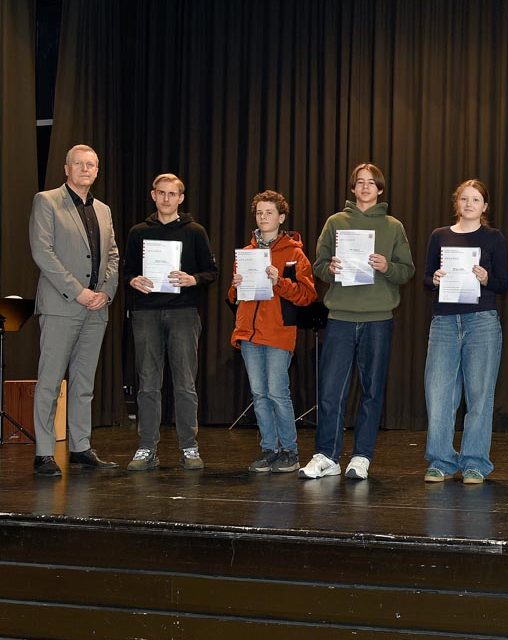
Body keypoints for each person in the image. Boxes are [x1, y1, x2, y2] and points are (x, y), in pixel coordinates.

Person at [300, 163, 414, 480]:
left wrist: (386, 266)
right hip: (340, 316)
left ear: (380, 189)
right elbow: (318, 265)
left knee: (372, 391)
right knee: (331, 391)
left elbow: (407, 271)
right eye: (359, 182)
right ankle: (327, 455)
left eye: (371, 183)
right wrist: (330, 267)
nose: (365, 187)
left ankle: (362, 456)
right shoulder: (336, 222)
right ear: (352, 188)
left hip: (379, 318)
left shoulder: (393, 226)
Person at [28, 144, 120, 476]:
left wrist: (105, 293)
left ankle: (81, 447)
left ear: (97, 171)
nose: (85, 169)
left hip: (96, 309)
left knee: (84, 382)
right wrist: (78, 291)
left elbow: (113, 256)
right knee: (50, 381)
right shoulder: (47, 201)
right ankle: (43, 453)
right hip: (62, 306)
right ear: (67, 169)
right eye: (78, 164)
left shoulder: (105, 210)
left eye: (91, 165)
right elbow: (42, 251)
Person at [123, 173, 219, 471]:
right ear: (153, 195)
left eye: (172, 194)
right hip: (146, 314)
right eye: (161, 193)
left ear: (181, 198)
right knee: (148, 384)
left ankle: (189, 447)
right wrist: (133, 280)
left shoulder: (195, 231)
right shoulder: (138, 231)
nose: (166, 198)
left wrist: (193, 279)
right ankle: (146, 448)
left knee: (184, 384)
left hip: (183, 313)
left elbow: (211, 271)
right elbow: (126, 271)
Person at [422, 179, 508, 484]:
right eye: (464, 199)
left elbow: (503, 284)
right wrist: (434, 278)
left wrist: (486, 279)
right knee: (439, 394)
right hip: (445, 321)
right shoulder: (439, 236)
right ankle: (441, 460)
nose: (469, 204)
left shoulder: (494, 238)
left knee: (480, 395)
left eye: (475, 200)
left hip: (481, 321)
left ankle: (474, 462)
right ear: (456, 203)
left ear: (484, 207)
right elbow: (425, 280)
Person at [228, 190, 317, 473]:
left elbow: (307, 296)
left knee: (278, 392)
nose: (263, 217)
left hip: (278, 333)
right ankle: (269, 448)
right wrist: (235, 285)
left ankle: (289, 450)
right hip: (249, 333)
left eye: (269, 213)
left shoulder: (294, 255)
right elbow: (234, 298)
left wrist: (279, 283)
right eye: (259, 213)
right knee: (259, 393)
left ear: (281, 217)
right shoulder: (247, 253)